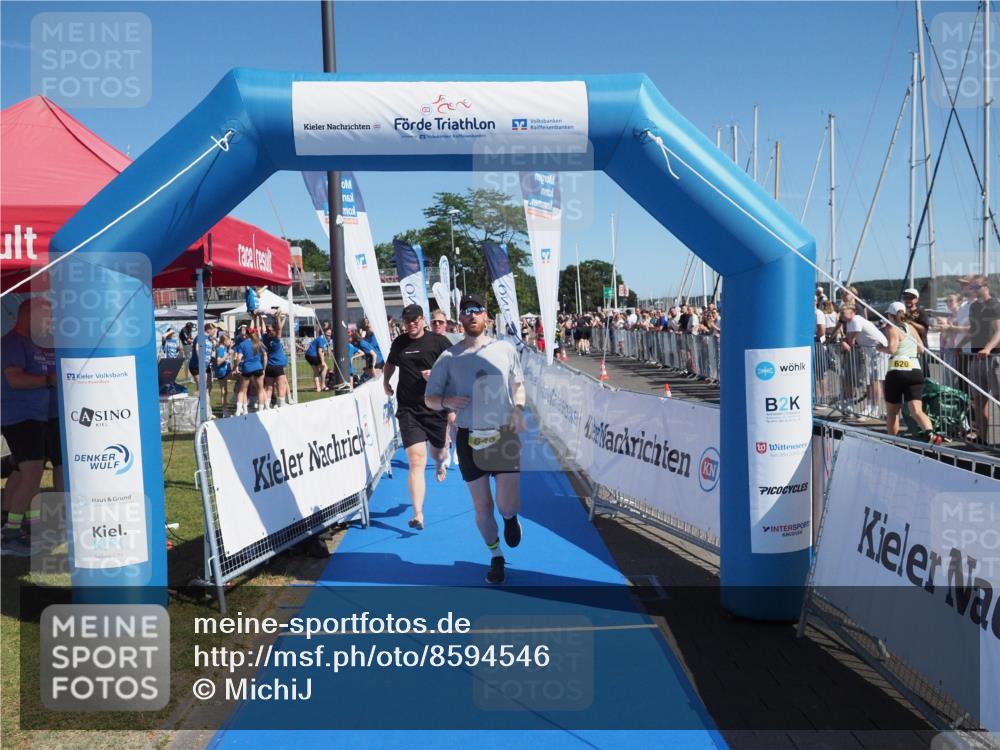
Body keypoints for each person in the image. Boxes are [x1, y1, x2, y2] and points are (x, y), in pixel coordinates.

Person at [425, 294, 527, 585]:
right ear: (460, 318)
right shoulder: (448, 358)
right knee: (482, 507)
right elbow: (430, 399)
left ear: (487, 316)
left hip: (503, 432)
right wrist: (446, 400)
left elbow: (518, 386)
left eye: (477, 310)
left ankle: (510, 520)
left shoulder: (505, 349)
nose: (472, 316)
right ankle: (496, 557)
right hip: (469, 437)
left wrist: (519, 409)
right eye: (466, 311)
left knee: (507, 504)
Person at [383, 304, 451, 530]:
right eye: (407, 320)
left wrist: (436, 374)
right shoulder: (400, 343)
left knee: (438, 452)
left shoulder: (438, 342)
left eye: (415, 320)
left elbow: (454, 366)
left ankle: (441, 462)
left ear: (423, 320)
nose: (411, 324)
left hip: (434, 407)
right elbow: (390, 364)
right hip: (408, 408)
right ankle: (418, 514)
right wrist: (385, 382)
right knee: (416, 460)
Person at [1, 298, 55, 556]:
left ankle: (21, 526)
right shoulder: (12, 342)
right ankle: (10, 535)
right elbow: (15, 380)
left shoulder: (32, 343)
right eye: (44, 317)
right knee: (32, 474)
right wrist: (48, 380)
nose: (47, 323)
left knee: (25, 474)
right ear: (28, 316)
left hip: (35, 417)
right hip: (21, 418)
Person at [877, 302, 940, 443]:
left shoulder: (891, 327)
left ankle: (893, 441)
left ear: (890, 315)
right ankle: (931, 434)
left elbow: (892, 349)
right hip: (915, 370)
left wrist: (881, 348)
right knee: (917, 410)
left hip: (897, 371)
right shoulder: (911, 327)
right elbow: (921, 349)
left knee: (892, 413)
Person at [966, 276, 1000, 443]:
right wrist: (960, 345)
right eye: (972, 286)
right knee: (979, 399)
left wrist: (988, 347)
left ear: (986, 286)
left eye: (976, 286)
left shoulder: (993, 305)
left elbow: (998, 331)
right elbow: (973, 330)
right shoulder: (974, 307)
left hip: (993, 357)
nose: (973, 289)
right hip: (977, 357)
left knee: (998, 397)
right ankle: (981, 437)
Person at [234, 327, 267, 415]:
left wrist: (236, 367)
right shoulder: (259, 343)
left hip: (247, 368)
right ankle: (261, 410)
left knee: (242, 390)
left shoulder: (242, 344)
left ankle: (238, 411)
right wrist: (264, 368)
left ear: (246, 334)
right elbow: (265, 356)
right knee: (260, 389)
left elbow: (239, 357)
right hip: (258, 367)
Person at [263, 311, 291, 407]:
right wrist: (278, 317)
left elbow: (278, 328)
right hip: (278, 366)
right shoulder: (276, 339)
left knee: (269, 388)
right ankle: (281, 403)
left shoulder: (265, 338)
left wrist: (283, 318)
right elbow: (279, 328)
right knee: (281, 386)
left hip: (269, 366)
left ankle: (266, 406)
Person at [188, 322, 217, 403]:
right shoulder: (200, 337)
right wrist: (201, 364)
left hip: (206, 366)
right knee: (201, 387)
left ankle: (208, 409)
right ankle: (196, 406)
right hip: (197, 366)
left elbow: (211, 354)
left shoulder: (209, 340)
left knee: (209, 386)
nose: (215, 333)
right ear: (208, 330)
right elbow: (198, 349)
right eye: (213, 331)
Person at [213, 334, 233, 417]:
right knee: (224, 392)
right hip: (222, 372)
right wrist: (227, 355)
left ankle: (226, 410)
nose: (230, 342)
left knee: (226, 391)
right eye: (229, 340)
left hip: (226, 371)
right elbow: (218, 362)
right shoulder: (220, 349)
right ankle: (224, 412)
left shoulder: (224, 348)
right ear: (224, 341)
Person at [305, 326, 330, 392]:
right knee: (325, 367)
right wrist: (322, 362)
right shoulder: (322, 339)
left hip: (308, 355)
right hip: (313, 355)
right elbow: (320, 351)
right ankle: (323, 385)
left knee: (316, 371)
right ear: (324, 333)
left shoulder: (322, 339)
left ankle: (318, 388)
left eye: (330, 335)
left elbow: (323, 351)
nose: (329, 336)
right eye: (327, 334)